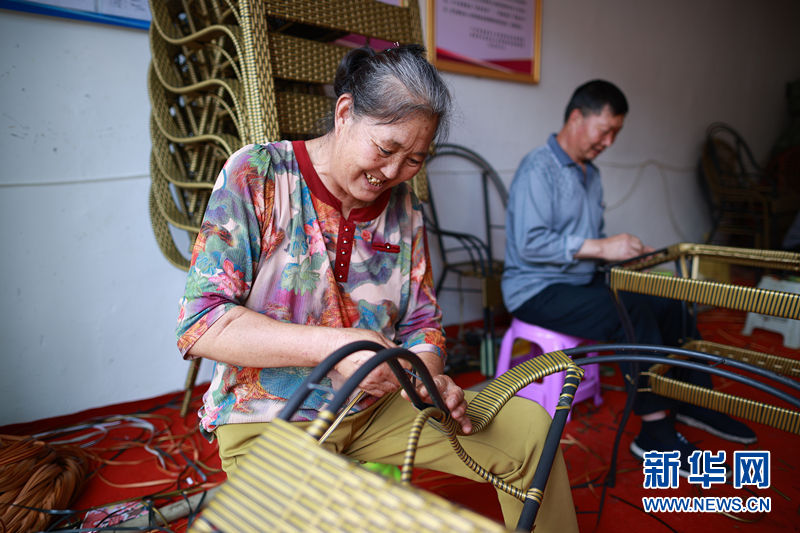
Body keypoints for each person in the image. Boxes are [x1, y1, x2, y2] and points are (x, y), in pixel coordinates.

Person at [176, 44, 578, 532]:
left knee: (531, 431)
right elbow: (202, 323)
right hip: (271, 416)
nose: (391, 173)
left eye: (414, 160)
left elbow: (423, 323)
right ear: (345, 112)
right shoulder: (258, 174)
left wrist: (426, 378)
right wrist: (337, 348)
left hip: (377, 406)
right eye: (386, 149)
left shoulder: (405, 208)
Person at [502, 79, 756, 476]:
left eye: (615, 134)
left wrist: (625, 255)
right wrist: (605, 247)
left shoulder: (591, 174)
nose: (609, 142)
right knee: (631, 311)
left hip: (580, 281)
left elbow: (588, 245)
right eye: (605, 131)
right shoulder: (539, 168)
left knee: (671, 300)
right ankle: (653, 430)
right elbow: (530, 243)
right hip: (536, 289)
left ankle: (695, 401)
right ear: (576, 117)